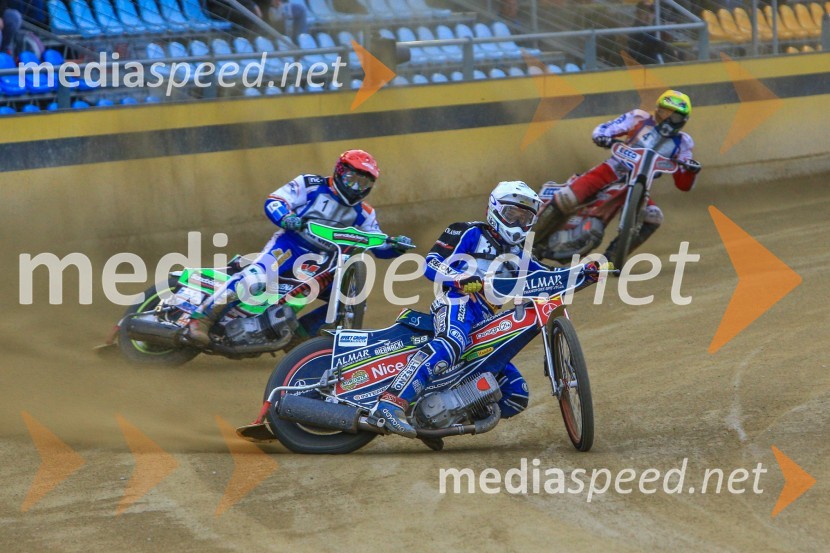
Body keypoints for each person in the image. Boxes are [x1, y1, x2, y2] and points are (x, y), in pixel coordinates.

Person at [373, 181, 549, 437]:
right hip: (458, 302)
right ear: (496, 209)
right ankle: (390, 403)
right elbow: (431, 263)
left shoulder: (520, 253)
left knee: (515, 395)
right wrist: (459, 278)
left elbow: (548, 275)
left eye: (525, 219)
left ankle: (433, 418)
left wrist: (588, 271)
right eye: (513, 215)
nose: (518, 224)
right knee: (452, 342)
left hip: (487, 321)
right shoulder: (468, 231)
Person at [185, 150, 412, 346]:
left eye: (364, 183)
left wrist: (396, 246)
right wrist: (286, 218)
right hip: (290, 245)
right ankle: (202, 319)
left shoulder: (365, 213)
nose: (356, 187)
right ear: (340, 171)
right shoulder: (311, 184)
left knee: (348, 300)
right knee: (255, 279)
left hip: (325, 262)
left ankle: (298, 338)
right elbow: (275, 200)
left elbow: (377, 242)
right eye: (353, 179)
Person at [538, 90, 702, 261]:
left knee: (653, 217)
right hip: (611, 170)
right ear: (657, 109)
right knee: (568, 197)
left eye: (672, 115)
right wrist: (603, 137)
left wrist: (690, 170)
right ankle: (531, 237)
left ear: (682, 120)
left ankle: (612, 259)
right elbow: (606, 128)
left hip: (640, 185)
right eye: (663, 111)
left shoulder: (683, 142)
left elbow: (684, 184)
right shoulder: (639, 118)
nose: (666, 118)